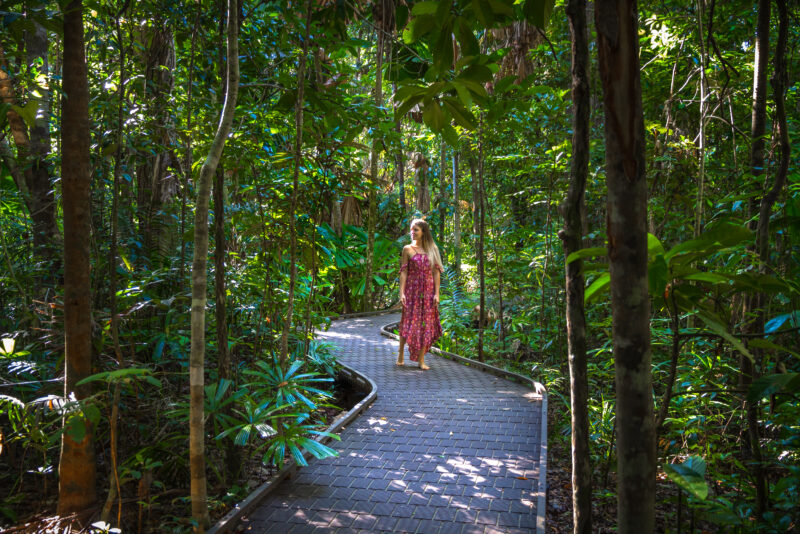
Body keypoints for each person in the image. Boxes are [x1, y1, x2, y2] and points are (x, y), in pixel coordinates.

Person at [397, 218, 443, 370]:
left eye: (416, 230)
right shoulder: (407, 249)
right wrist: (401, 293)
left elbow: (436, 273)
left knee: (426, 324)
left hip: (428, 292)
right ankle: (400, 354)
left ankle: (421, 360)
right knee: (407, 321)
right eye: (411, 229)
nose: (412, 232)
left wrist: (437, 294)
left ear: (423, 232)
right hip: (411, 292)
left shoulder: (432, 249)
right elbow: (403, 272)